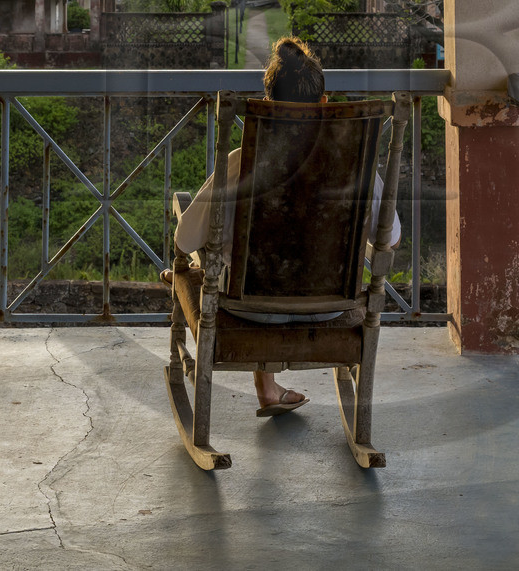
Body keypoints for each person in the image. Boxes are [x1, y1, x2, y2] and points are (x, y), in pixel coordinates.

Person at [166, 36, 400, 417]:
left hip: (249, 309)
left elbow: (186, 237)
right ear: (323, 104)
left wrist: (203, 251)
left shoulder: (241, 163)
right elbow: (389, 237)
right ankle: (270, 388)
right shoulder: (352, 169)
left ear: (267, 106)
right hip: (328, 307)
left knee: (220, 258)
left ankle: (259, 389)